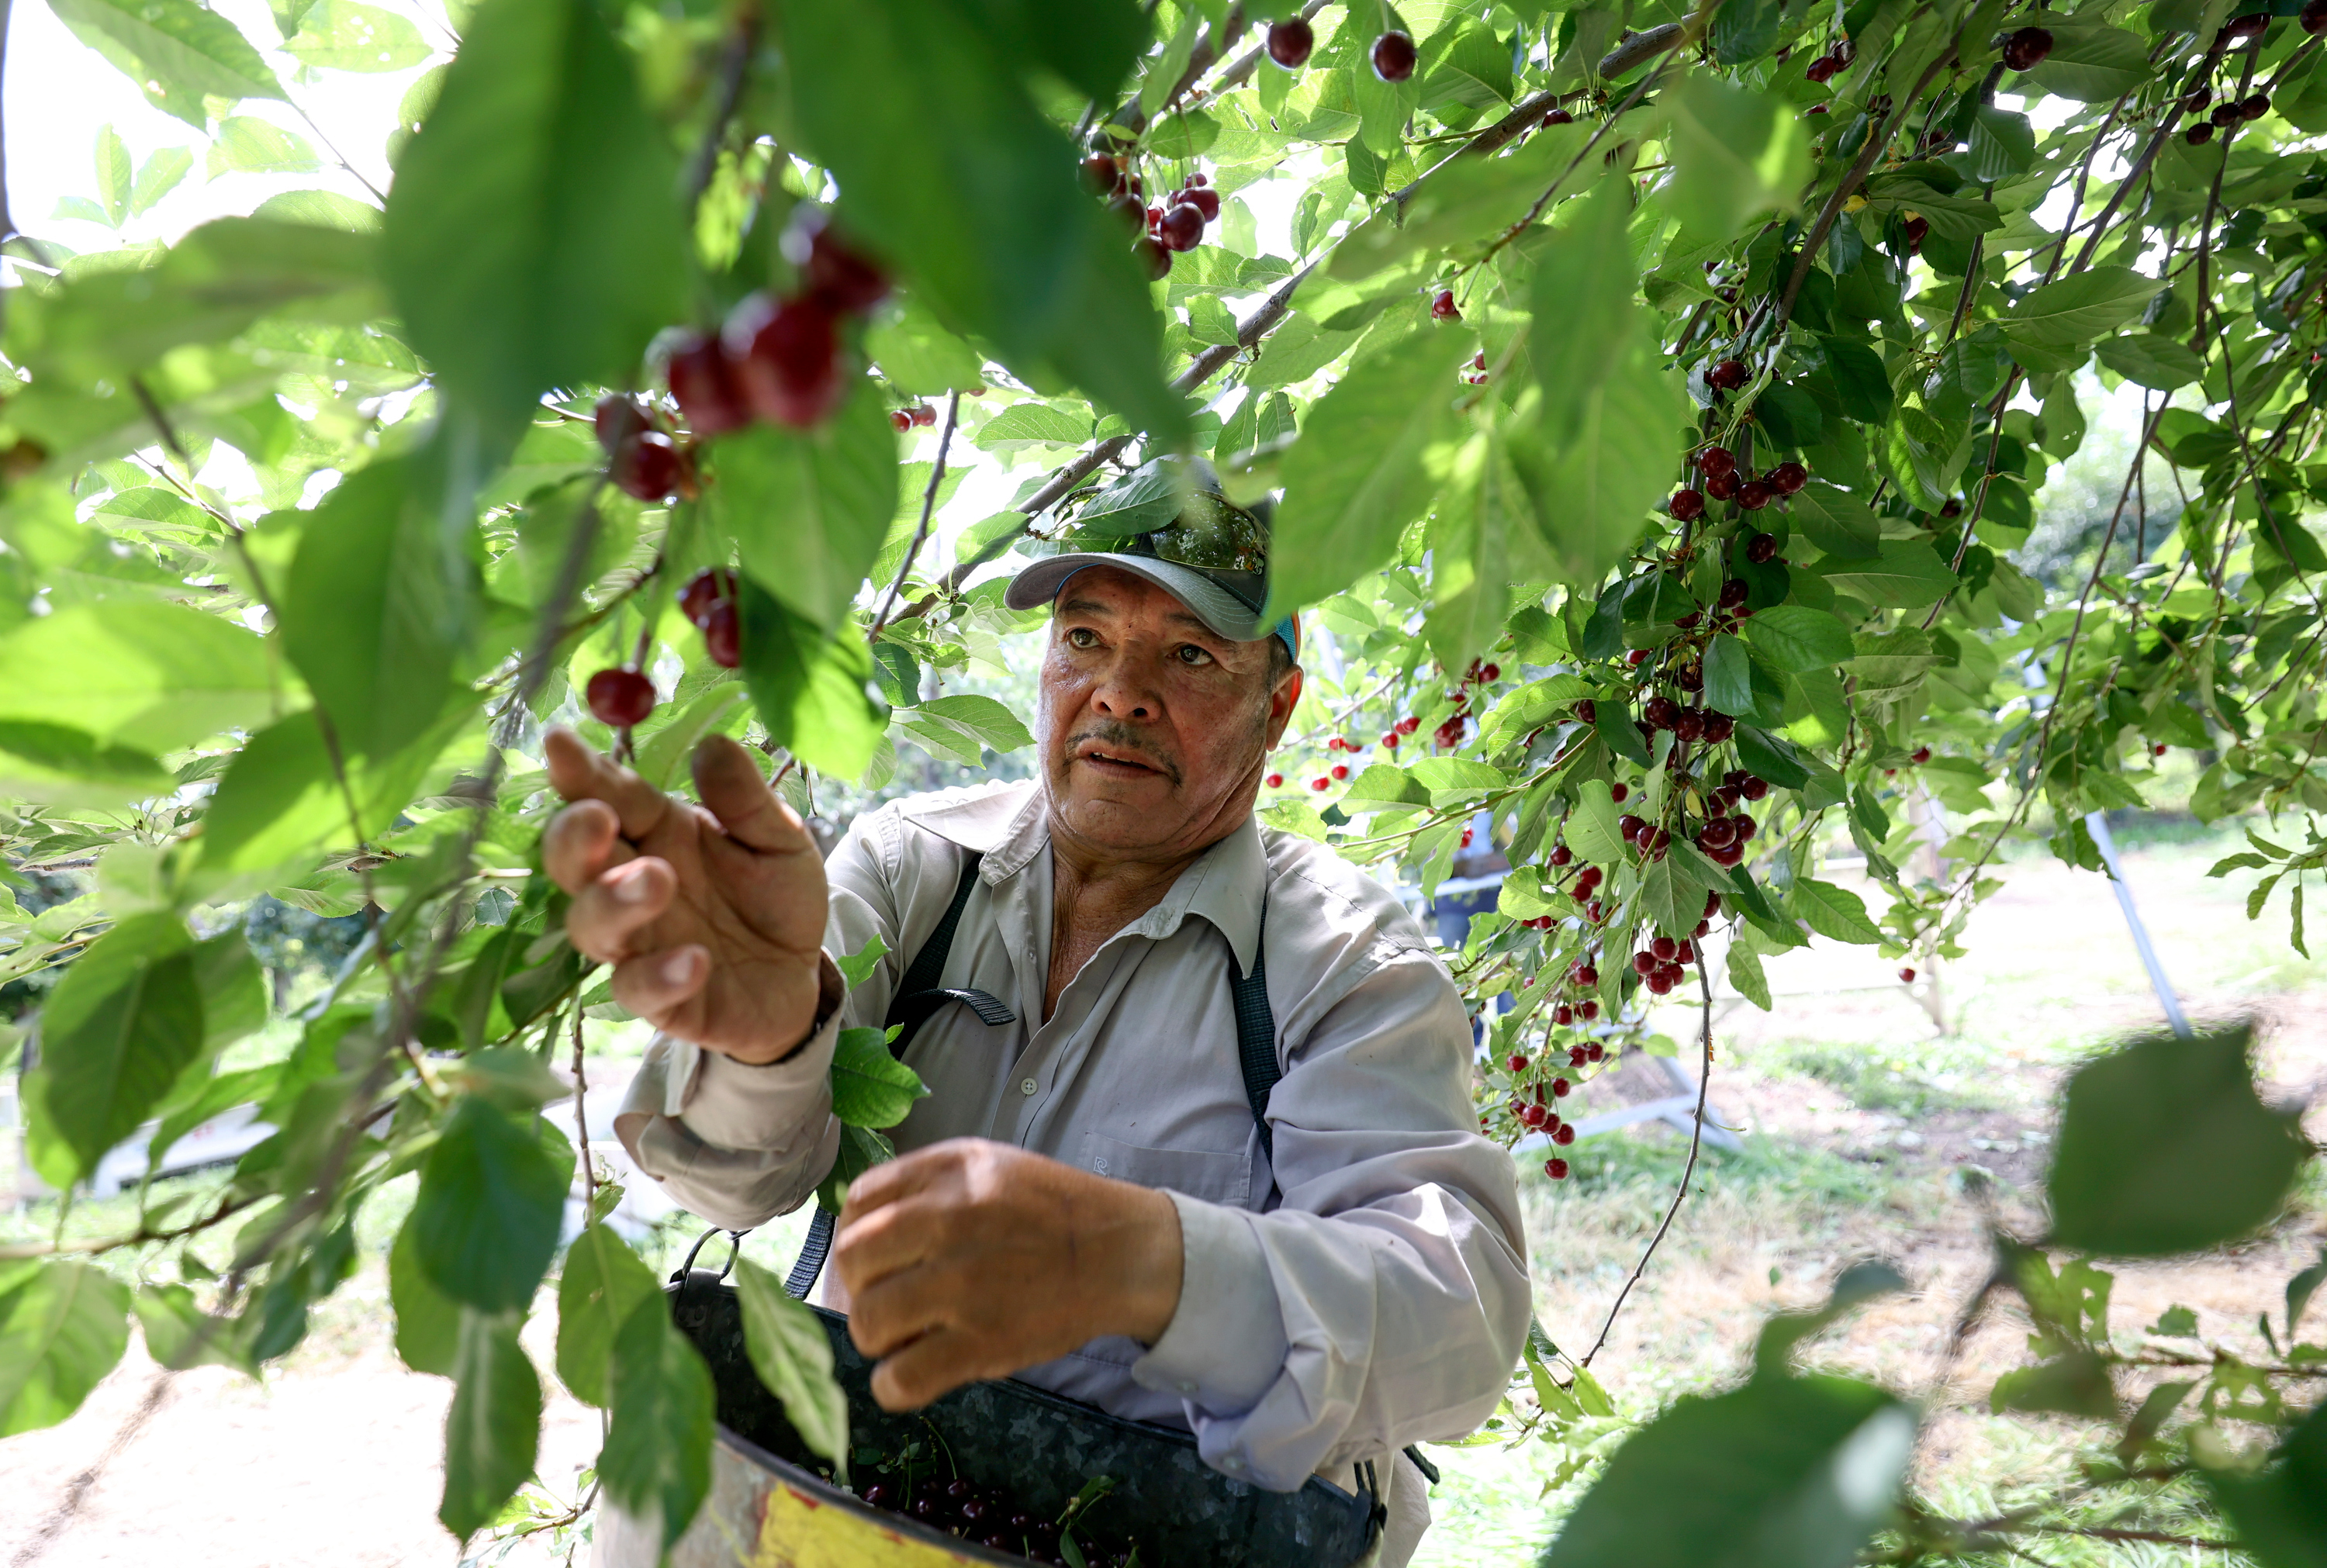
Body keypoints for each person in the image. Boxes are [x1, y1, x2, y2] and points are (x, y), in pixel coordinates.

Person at [543, 460, 1529, 1566]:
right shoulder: (914, 874)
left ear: (1278, 707)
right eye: (1087, 638)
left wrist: (1142, 1260)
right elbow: (723, 1179)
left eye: (1192, 654)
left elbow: (1463, 1318)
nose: (1119, 692)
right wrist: (770, 1038)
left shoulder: (1344, 968)